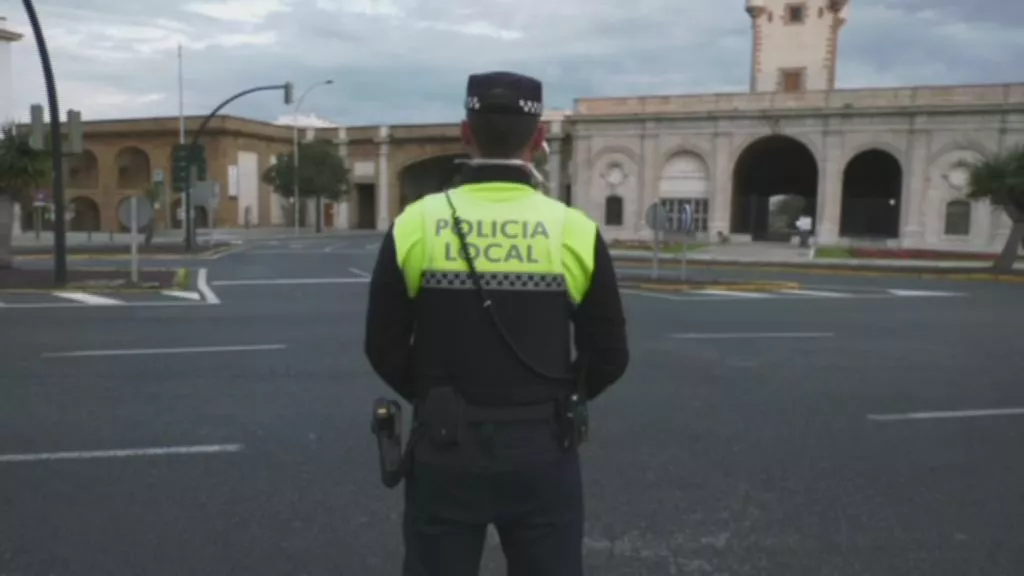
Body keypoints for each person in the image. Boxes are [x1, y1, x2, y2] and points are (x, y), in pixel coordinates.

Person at [364, 70, 629, 576]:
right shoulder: (573, 229)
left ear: (465, 133)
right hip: (542, 447)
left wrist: (433, 396)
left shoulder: (415, 223)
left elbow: (382, 344)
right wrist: (561, 400)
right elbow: (611, 355)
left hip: (445, 445)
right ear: (539, 138)